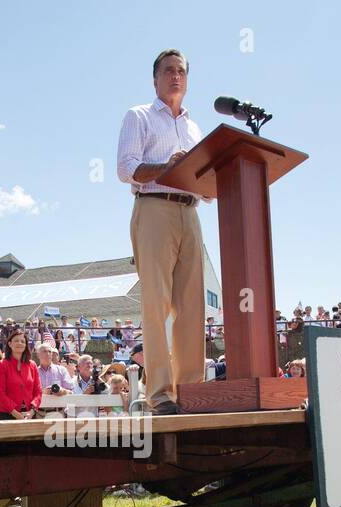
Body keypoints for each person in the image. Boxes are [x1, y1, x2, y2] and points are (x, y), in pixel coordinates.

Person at [116, 48, 208, 415]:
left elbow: (205, 179)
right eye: (168, 70)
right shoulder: (138, 116)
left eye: (182, 71)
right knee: (156, 304)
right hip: (153, 207)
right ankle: (160, 394)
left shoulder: (195, 127)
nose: (176, 76)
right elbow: (126, 168)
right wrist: (165, 168)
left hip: (191, 210)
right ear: (155, 79)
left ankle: (191, 391)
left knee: (193, 307)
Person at [0, 329, 41, 419]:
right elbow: (0, 393)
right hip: (7, 414)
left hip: (29, 414)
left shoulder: (32, 365)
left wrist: (32, 411)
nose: (19, 343)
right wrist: (14, 412)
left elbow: (38, 391)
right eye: (16, 340)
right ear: (10, 344)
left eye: (22, 341)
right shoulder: (2, 364)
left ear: (25, 345)